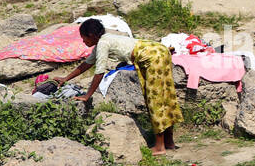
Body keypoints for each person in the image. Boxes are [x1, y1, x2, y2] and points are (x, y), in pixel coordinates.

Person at [57, 19, 183, 155]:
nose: (83, 42)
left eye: (84, 38)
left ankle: (160, 147)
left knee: (155, 101)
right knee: (165, 97)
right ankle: (169, 142)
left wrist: (87, 95)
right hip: (160, 51)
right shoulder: (104, 40)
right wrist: (65, 79)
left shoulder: (103, 43)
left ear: (91, 35)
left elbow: (99, 72)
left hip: (152, 57)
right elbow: (86, 65)